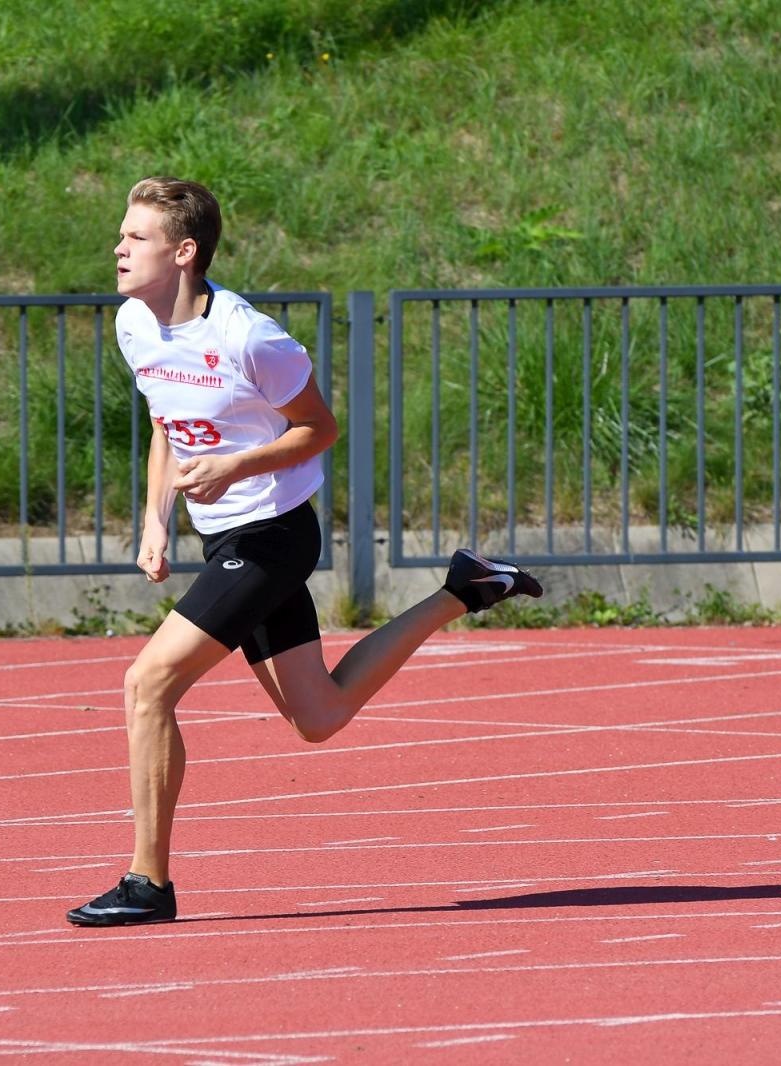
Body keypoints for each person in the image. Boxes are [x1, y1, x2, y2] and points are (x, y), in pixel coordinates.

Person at [66, 177, 543, 927]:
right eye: (122, 235)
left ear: (184, 252)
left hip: (274, 538)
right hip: (222, 536)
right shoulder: (134, 324)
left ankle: (147, 883)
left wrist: (232, 467)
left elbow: (318, 429)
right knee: (319, 716)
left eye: (136, 238)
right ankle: (466, 589)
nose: (117, 248)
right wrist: (156, 520)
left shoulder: (252, 338)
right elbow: (167, 423)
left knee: (147, 684)